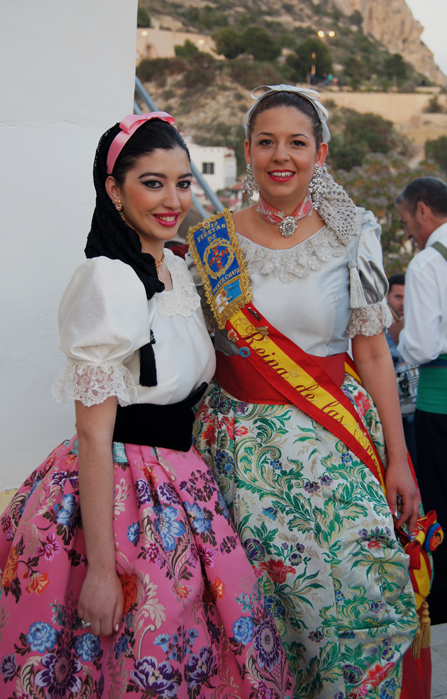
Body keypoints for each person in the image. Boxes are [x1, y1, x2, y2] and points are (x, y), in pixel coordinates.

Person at [0, 112, 293, 699]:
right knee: (133, 655)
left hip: (186, 483)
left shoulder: (179, 267)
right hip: (122, 493)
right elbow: (93, 434)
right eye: (153, 183)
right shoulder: (107, 280)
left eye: (182, 183)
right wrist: (101, 570)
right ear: (114, 190)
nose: (173, 200)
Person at [190, 85, 419, 699]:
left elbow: (373, 351)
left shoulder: (355, 234)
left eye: (297, 142)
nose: (281, 155)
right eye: (266, 142)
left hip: (338, 448)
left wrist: (399, 459)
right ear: (247, 151)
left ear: (321, 153)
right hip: (243, 463)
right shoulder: (212, 242)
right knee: (265, 615)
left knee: (358, 596)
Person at [396, 177, 447, 625]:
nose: (409, 233)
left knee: (439, 497)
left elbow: (420, 347)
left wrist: (398, 340)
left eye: (406, 222)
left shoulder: (426, 264)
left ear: (422, 210)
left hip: (444, 397)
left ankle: (446, 597)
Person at [385, 273, 418, 467]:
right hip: (388, 410)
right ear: (387, 296)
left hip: (413, 412)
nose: (403, 303)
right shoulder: (376, 326)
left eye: (408, 296)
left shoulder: (419, 324)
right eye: (398, 296)